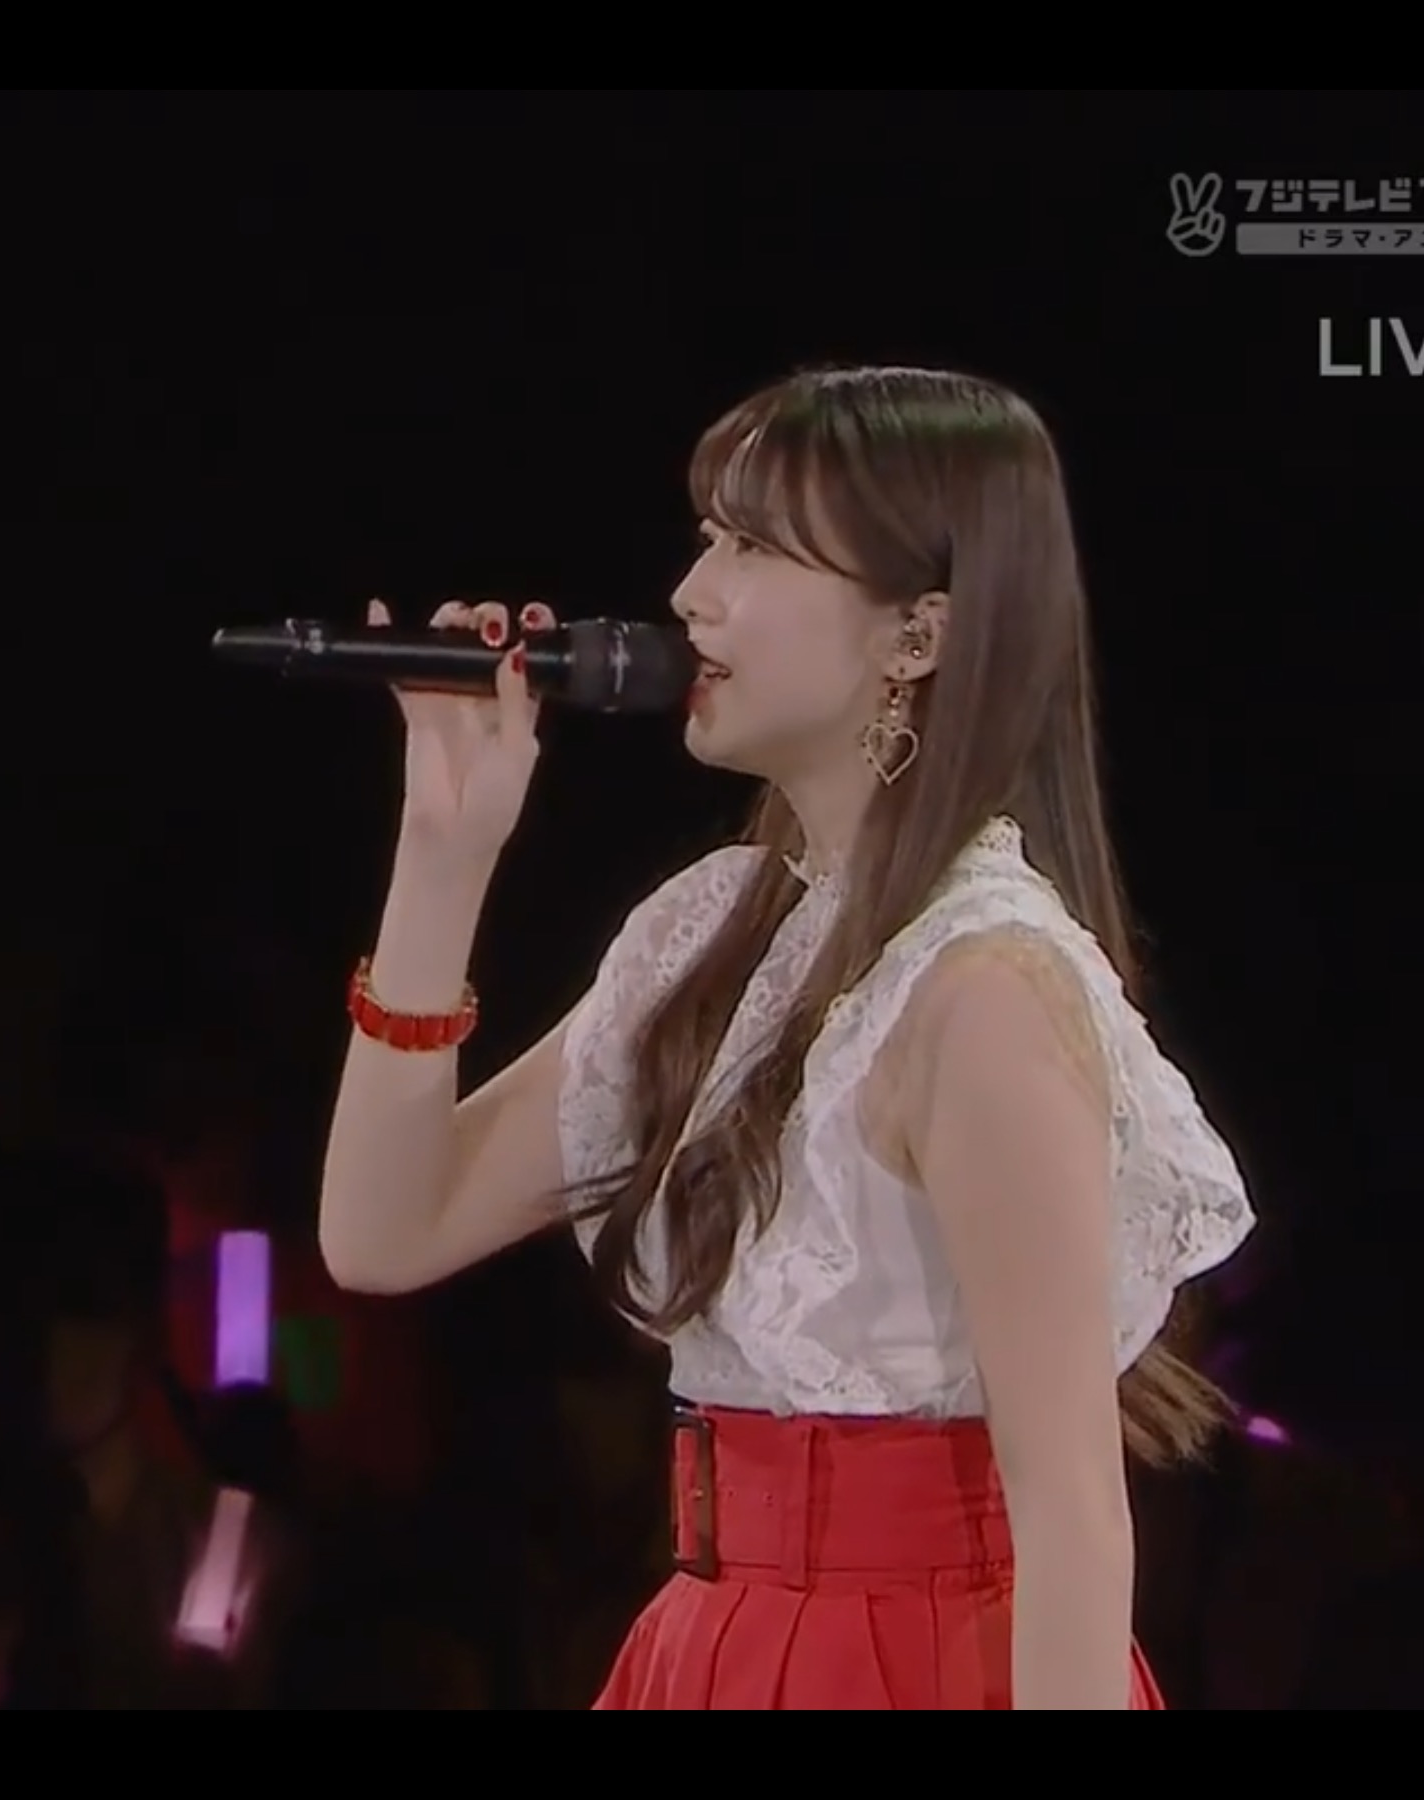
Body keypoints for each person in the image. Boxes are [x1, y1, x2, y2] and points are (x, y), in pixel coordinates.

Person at [315, 364, 1256, 1710]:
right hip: (714, 1641)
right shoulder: (714, 934)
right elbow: (383, 1230)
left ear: (917, 634)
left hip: (914, 1662)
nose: (691, 593)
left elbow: (1075, 1523)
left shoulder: (982, 988)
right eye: (710, 537)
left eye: (754, 547)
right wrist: (443, 852)